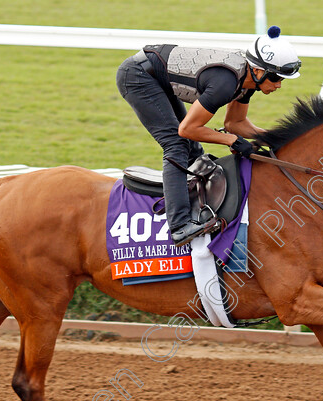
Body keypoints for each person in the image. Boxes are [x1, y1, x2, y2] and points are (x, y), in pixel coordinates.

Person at [116, 26, 302, 246]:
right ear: (259, 71)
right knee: (177, 145)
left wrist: (275, 137)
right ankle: (179, 226)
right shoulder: (225, 84)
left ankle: (200, 207)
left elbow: (235, 123)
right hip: (138, 76)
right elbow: (187, 130)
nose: (279, 85)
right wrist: (231, 141)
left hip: (157, 74)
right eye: (276, 77)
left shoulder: (248, 81)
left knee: (193, 150)